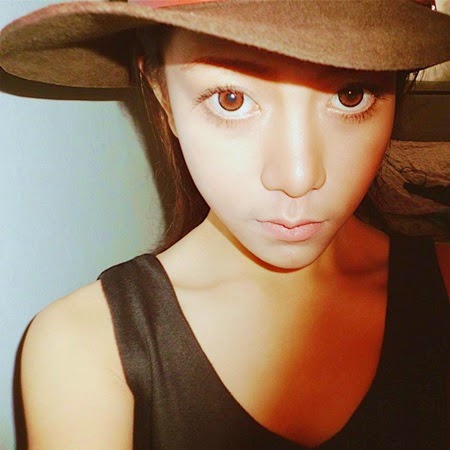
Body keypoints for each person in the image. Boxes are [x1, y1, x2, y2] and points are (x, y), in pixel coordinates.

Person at [1, 1, 449, 449]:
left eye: (351, 94)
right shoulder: (88, 346)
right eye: (230, 99)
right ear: (162, 95)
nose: (298, 177)